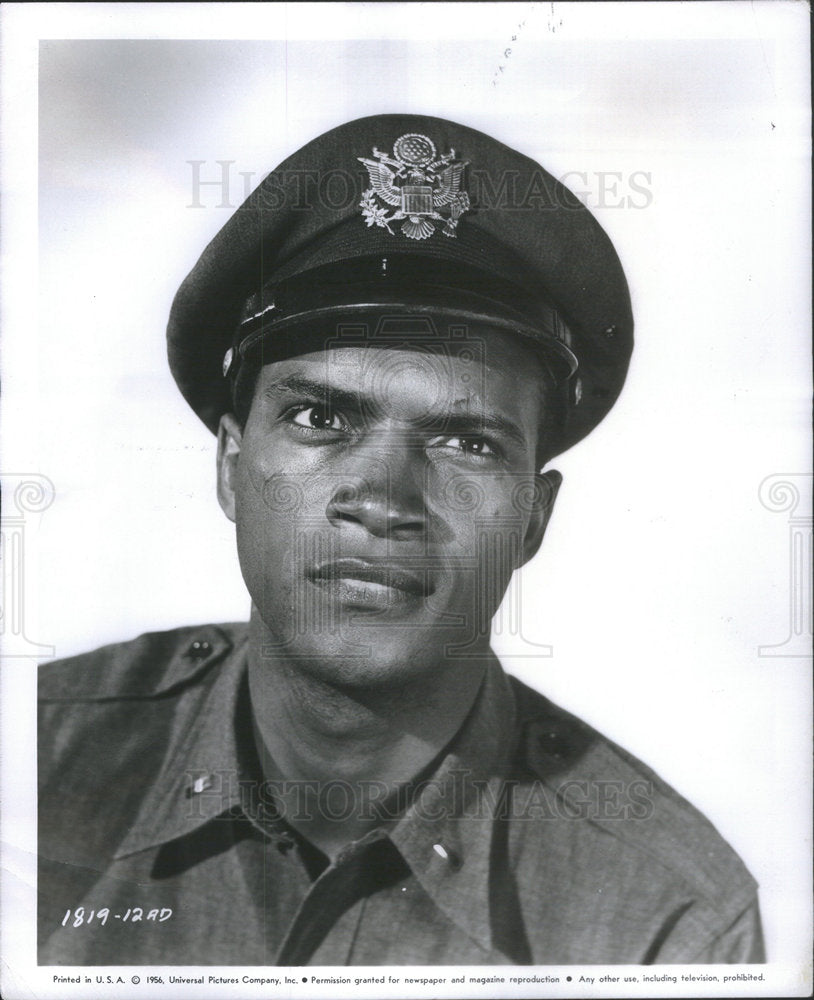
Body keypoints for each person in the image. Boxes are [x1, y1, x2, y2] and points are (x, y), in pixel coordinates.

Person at [38, 114, 764, 966]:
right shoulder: (37, 760)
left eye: (466, 442)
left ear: (534, 517)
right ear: (233, 468)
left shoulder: (665, 918)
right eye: (321, 417)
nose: (383, 499)